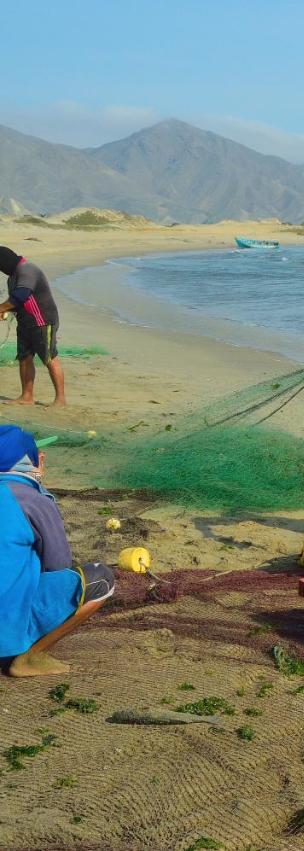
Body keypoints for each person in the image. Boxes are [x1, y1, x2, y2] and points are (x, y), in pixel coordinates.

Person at [0, 426, 114, 676]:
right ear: (37, 462)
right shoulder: (33, 499)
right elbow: (58, 566)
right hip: (4, 631)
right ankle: (29, 658)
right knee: (101, 578)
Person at [0, 247, 66, 406]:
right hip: (25, 322)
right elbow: (18, 302)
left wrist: (2, 307)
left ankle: (60, 399)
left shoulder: (27, 269)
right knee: (25, 358)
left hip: (42, 320)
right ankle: (26, 396)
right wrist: (6, 311)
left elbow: (22, 295)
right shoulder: (12, 277)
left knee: (49, 358)